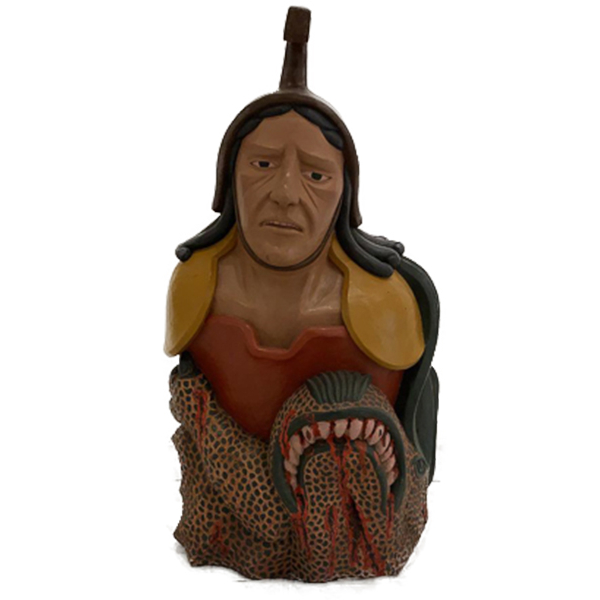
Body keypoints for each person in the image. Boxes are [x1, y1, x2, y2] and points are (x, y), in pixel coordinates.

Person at [165, 7, 439, 582]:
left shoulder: (384, 302)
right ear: (229, 179)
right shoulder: (197, 286)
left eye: (316, 174)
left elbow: (413, 413)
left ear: (344, 195)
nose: (286, 192)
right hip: (230, 504)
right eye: (263, 164)